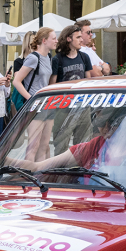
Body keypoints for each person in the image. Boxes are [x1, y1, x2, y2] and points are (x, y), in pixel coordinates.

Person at [13, 27, 57, 162]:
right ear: (44, 41)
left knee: (44, 146)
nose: (56, 41)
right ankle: (26, 178)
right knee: (33, 146)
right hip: (35, 106)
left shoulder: (48, 57)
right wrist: (31, 98)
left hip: (47, 105)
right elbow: (16, 81)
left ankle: (41, 176)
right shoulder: (33, 58)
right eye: (53, 38)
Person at [49, 25, 94, 154]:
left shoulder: (84, 57)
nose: (81, 40)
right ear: (68, 39)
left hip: (83, 106)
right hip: (63, 108)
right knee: (61, 145)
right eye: (78, 37)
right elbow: (52, 85)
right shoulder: (57, 59)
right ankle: (60, 172)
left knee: (83, 145)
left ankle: (80, 172)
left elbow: (88, 82)